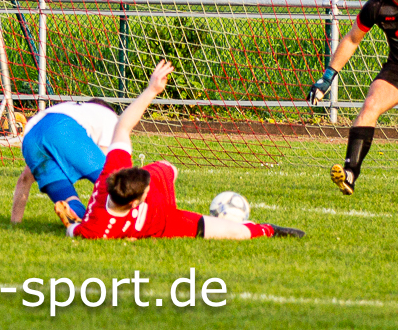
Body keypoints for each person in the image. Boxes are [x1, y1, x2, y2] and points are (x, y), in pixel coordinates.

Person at [62, 60, 305, 241]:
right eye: (146, 190)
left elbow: (123, 126)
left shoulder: (112, 172)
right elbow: (75, 230)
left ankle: (165, 185)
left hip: (158, 204)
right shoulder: (98, 229)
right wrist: (74, 224)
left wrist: (152, 90)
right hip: (165, 224)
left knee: (169, 168)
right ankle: (269, 229)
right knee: (237, 232)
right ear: (136, 203)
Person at [308, 0, 398, 195]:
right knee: (370, 105)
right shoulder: (378, 6)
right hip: (396, 70)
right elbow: (351, 39)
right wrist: (327, 78)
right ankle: (349, 174)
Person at [11, 98, 118, 224]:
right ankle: (129, 221)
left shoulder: (71, 108)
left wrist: (15, 223)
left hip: (31, 139)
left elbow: (25, 178)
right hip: (64, 127)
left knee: (71, 205)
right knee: (116, 182)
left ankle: (74, 211)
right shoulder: (109, 116)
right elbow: (107, 164)